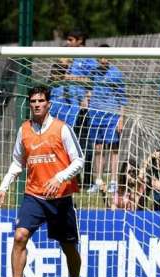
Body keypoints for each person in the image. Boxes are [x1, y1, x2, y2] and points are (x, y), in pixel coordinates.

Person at [0, 85, 84, 277]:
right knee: (19, 236)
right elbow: (18, 162)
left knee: (69, 247)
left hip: (60, 198)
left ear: (48, 104)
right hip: (34, 196)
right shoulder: (24, 130)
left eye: (40, 101)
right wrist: (4, 186)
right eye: (33, 101)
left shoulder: (62, 128)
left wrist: (59, 178)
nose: (36, 104)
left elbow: (79, 160)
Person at [86, 46, 127, 194]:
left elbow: (122, 98)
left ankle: (114, 181)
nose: (103, 59)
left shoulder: (116, 74)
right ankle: (98, 181)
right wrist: (87, 99)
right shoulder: (93, 73)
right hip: (96, 116)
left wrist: (121, 118)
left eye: (106, 56)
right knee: (98, 149)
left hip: (112, 116)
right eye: (101, 57)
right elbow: (89, 90)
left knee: (113, 149)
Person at [65, 30, 97, 189]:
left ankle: (88, 181)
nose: (68, 43)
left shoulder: (88, 57)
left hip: (83, 109)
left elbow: (91, 80)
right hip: (71, 108)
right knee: (71, 145)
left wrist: (72, 79)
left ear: (80, 40)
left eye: (71, 40)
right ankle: (74, 180)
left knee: (85, 145)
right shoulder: (72, 58)